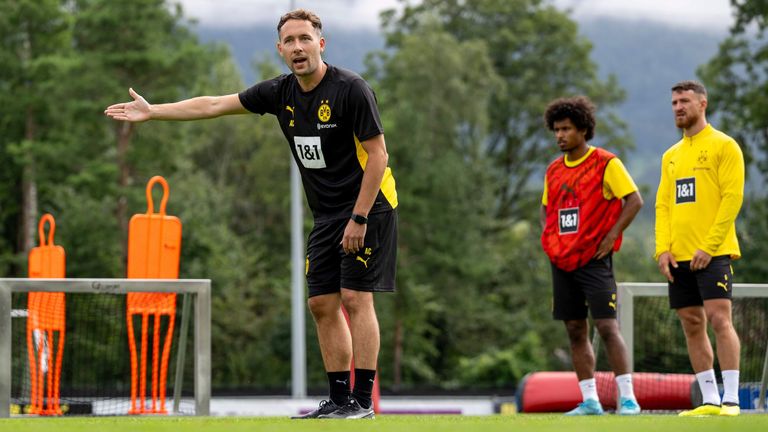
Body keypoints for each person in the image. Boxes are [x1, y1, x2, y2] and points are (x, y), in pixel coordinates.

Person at [105, 9, 397, 420]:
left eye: (305, 39)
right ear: (280, 50)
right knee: (321, 304)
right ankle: (337, 400)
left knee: (354, 296)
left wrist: (360, 218)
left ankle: (362, 403)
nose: (298, 47)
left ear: (321, 44)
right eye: (289, 41)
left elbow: (379, 156)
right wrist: (154, 112)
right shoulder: (280, 93)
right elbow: (213, 104)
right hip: (327, 213)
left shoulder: (351, 89)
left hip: (370, 206)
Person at [540, 96, 643, 416]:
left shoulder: (606, 163)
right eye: (556, 130)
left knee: (607, 327)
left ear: (583, 130)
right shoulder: (554, 170)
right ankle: (590, 401)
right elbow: (547, 207)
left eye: (566, 129)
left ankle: (627, 398)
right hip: (562, 262)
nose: (560, 135)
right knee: (574, 329)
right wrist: (552, 238)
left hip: (594, 261)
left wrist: (612, 235)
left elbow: (635, 200)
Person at [655, 80, 744, 417]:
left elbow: (732, 200)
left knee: (720, 320)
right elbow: (663, 206)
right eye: (674, 102)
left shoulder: (725, 146)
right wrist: (662, 249)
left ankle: (732, 400)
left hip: (715, 253)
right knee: (691, 323)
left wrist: (709, 246)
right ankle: (709, 400)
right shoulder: (670, 156)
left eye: (685, 101)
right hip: (677, 257)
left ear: (703, 103)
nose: (679, 107)